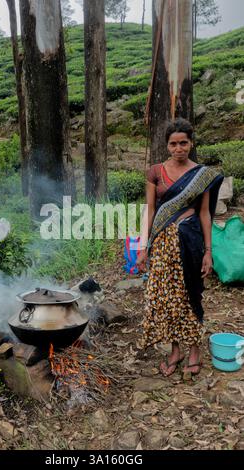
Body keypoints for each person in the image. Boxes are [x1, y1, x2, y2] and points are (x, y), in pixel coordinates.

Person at [136, 118, 223, 378]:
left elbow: (205, 214)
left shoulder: (202, 175)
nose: (179, 148)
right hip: (162, 244)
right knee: (165, 298)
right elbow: (150, 211)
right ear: (167, 146)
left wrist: (209, 251)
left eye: (183, 142)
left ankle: (194, 349)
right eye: (173, 144)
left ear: (191, 143)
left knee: (190, 295)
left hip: (191, 242)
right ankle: (176, 350)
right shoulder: (155, 172)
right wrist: (143, 247)